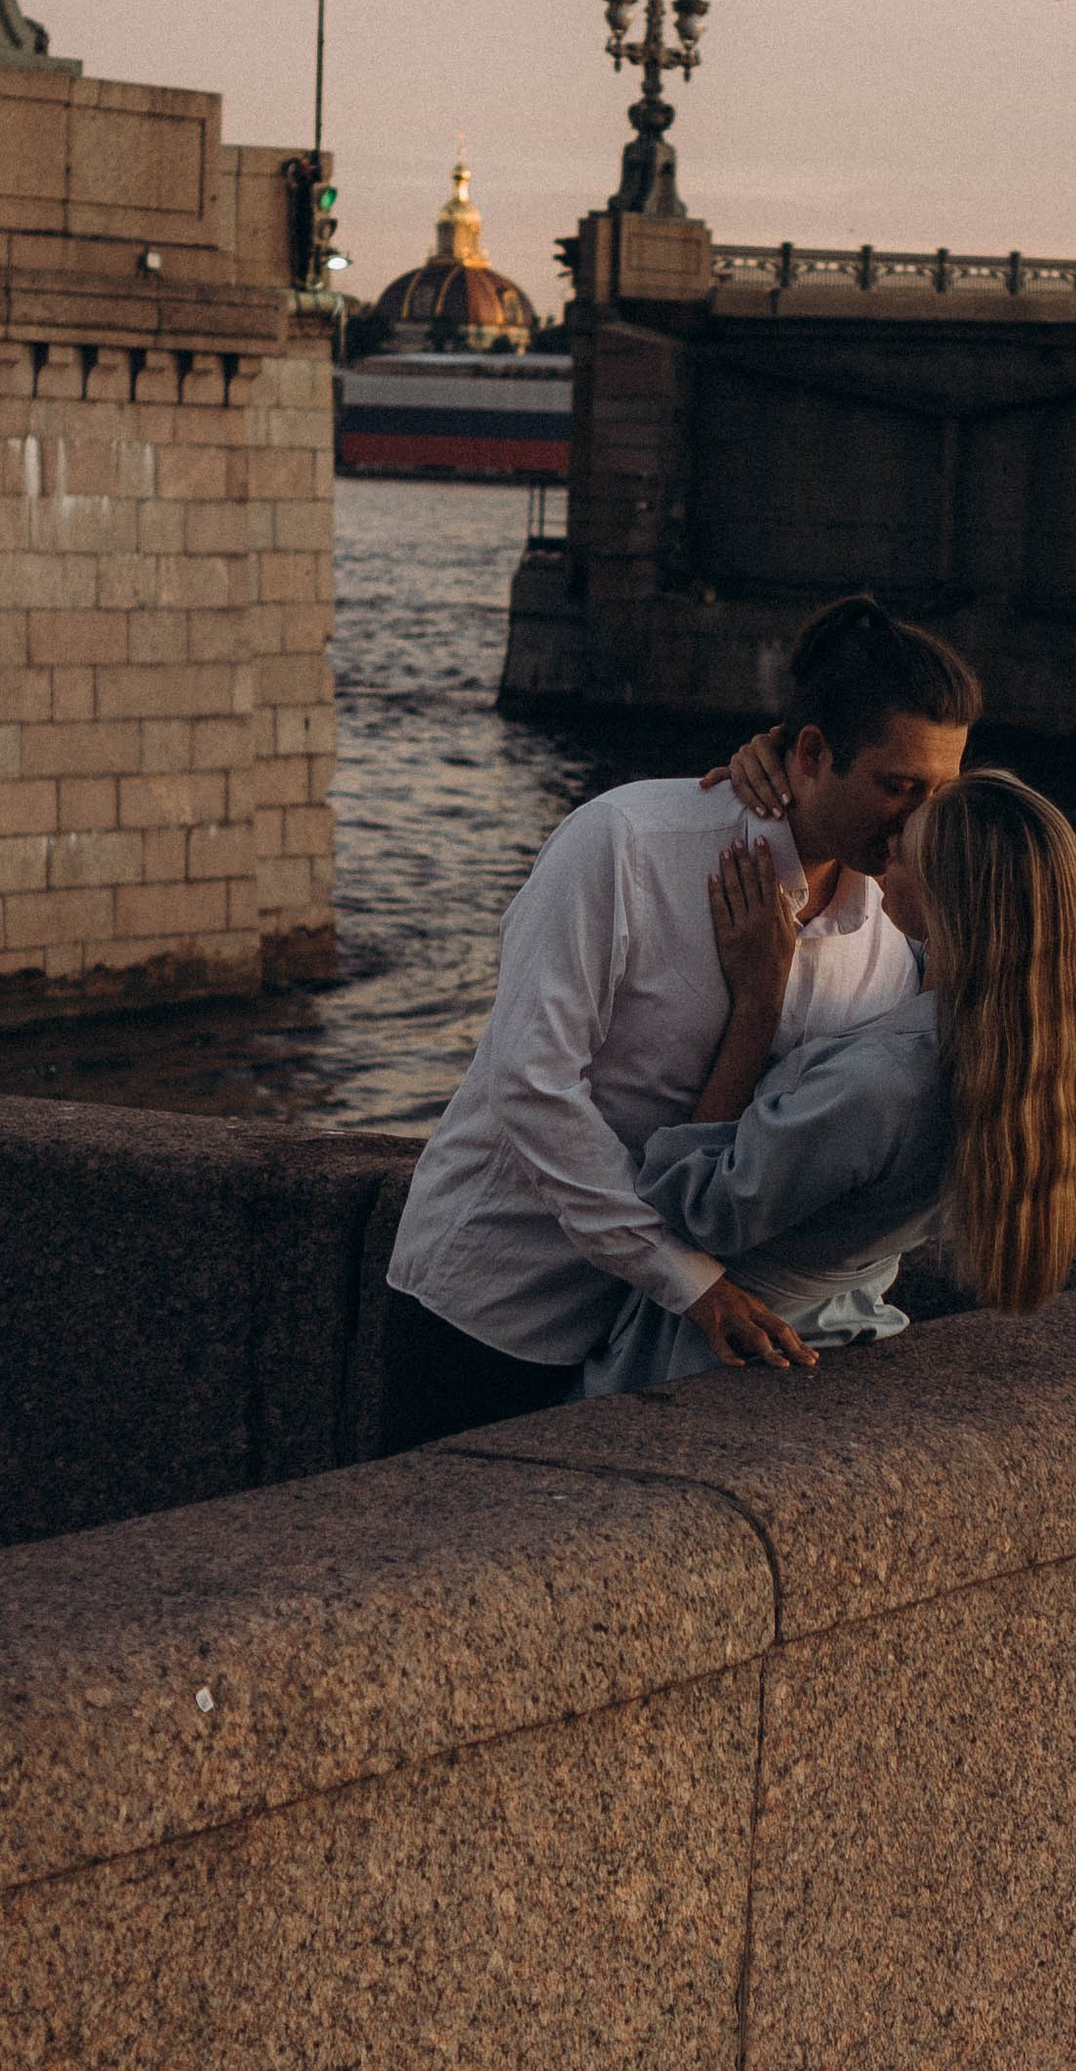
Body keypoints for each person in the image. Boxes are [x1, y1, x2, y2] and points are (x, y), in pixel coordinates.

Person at [374, 594, 980, 1450]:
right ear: (810, 754)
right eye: (899, 787)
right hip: (502, 1303)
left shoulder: (889, 934)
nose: (920, 821)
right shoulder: (628, 842)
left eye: (941, 793)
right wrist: (687, 1280)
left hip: (662, 1347)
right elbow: (531, 1082)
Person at [581, 770, 1076, 1394]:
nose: (885, 848)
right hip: (844, 1333)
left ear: (949, 895)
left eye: (904, 851)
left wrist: (758, 1004)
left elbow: (693, 1206)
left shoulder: (880, 1084)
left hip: (722, 1360)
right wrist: (792, 763)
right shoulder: (1021, 1052)